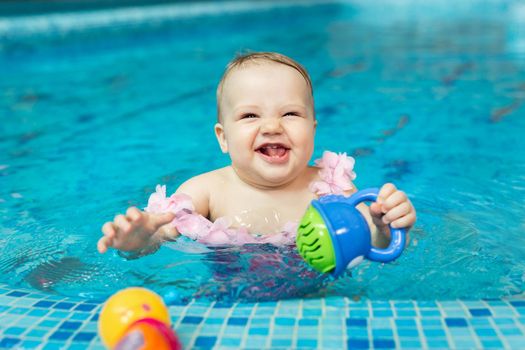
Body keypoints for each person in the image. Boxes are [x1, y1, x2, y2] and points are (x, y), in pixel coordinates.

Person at [97, 52, 416, 257]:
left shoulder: (329, 186)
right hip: (228, 297)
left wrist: (384, 224)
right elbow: (165, 231)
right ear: (223, 138)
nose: (272, 126)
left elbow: (369, 240)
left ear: (313, 130)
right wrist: (139, 240)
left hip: (323, 292)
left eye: (290, 113)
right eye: (250, 116)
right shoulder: (206, 190)